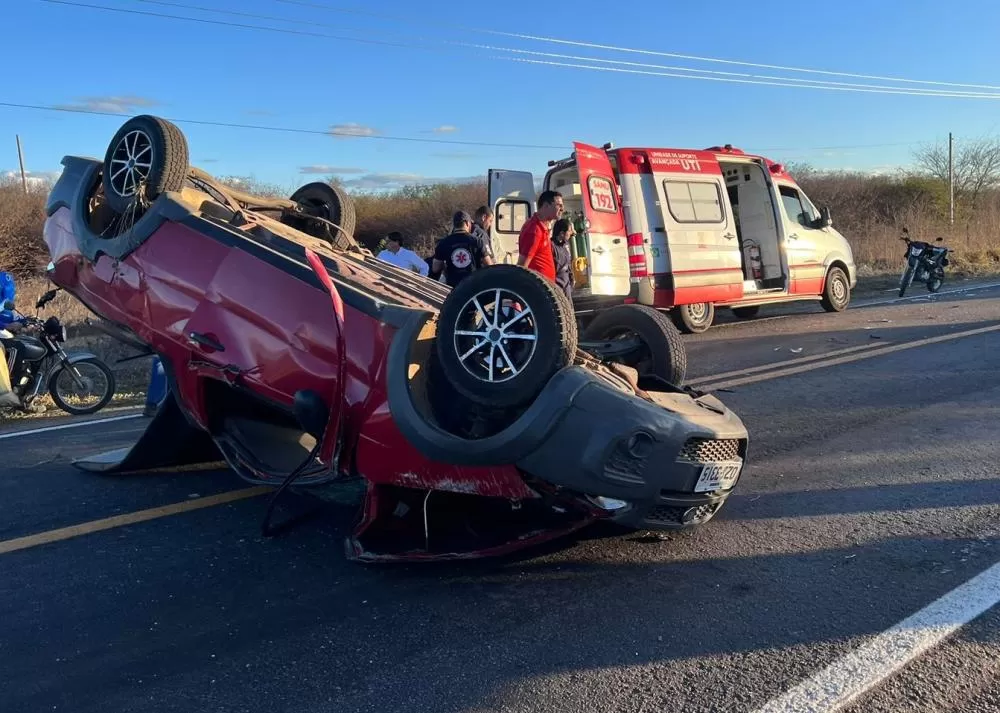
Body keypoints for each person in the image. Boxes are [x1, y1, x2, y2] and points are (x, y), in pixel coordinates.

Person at [432, 210, 492, 288]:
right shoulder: (478, 241)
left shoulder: (443, 243)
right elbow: (490, 266)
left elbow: (435, 268)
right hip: (474, 287)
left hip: (453, 289)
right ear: (467, 223)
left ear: (454, 225)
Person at [517, 190, 564, 282]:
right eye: (559, 205)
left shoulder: (543, 227)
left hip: (545, 287)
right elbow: (522, 266)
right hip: (537, 289)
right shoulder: (534, 230)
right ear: (546, 205)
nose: (562, 208)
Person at [550, 217, 575, 302]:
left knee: (569, 310)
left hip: (566, 284)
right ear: (562, 233)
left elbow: (568, 263)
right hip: (556, 285)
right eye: (569, 231)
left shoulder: (565, 246)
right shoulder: (551, 246)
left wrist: (572, 278)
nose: (571, 233)